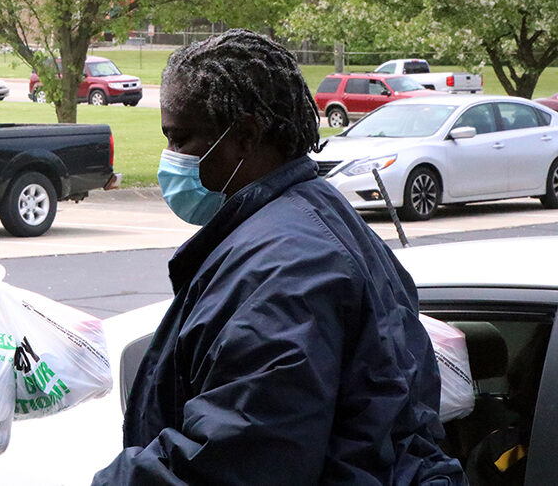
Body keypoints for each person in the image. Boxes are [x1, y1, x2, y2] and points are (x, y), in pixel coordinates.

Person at [93, 30, 466, 485]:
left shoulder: (285, 272)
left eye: (181, 140)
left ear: (247, 135)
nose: (169, 159)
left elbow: (238, 460)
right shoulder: (312, 217)